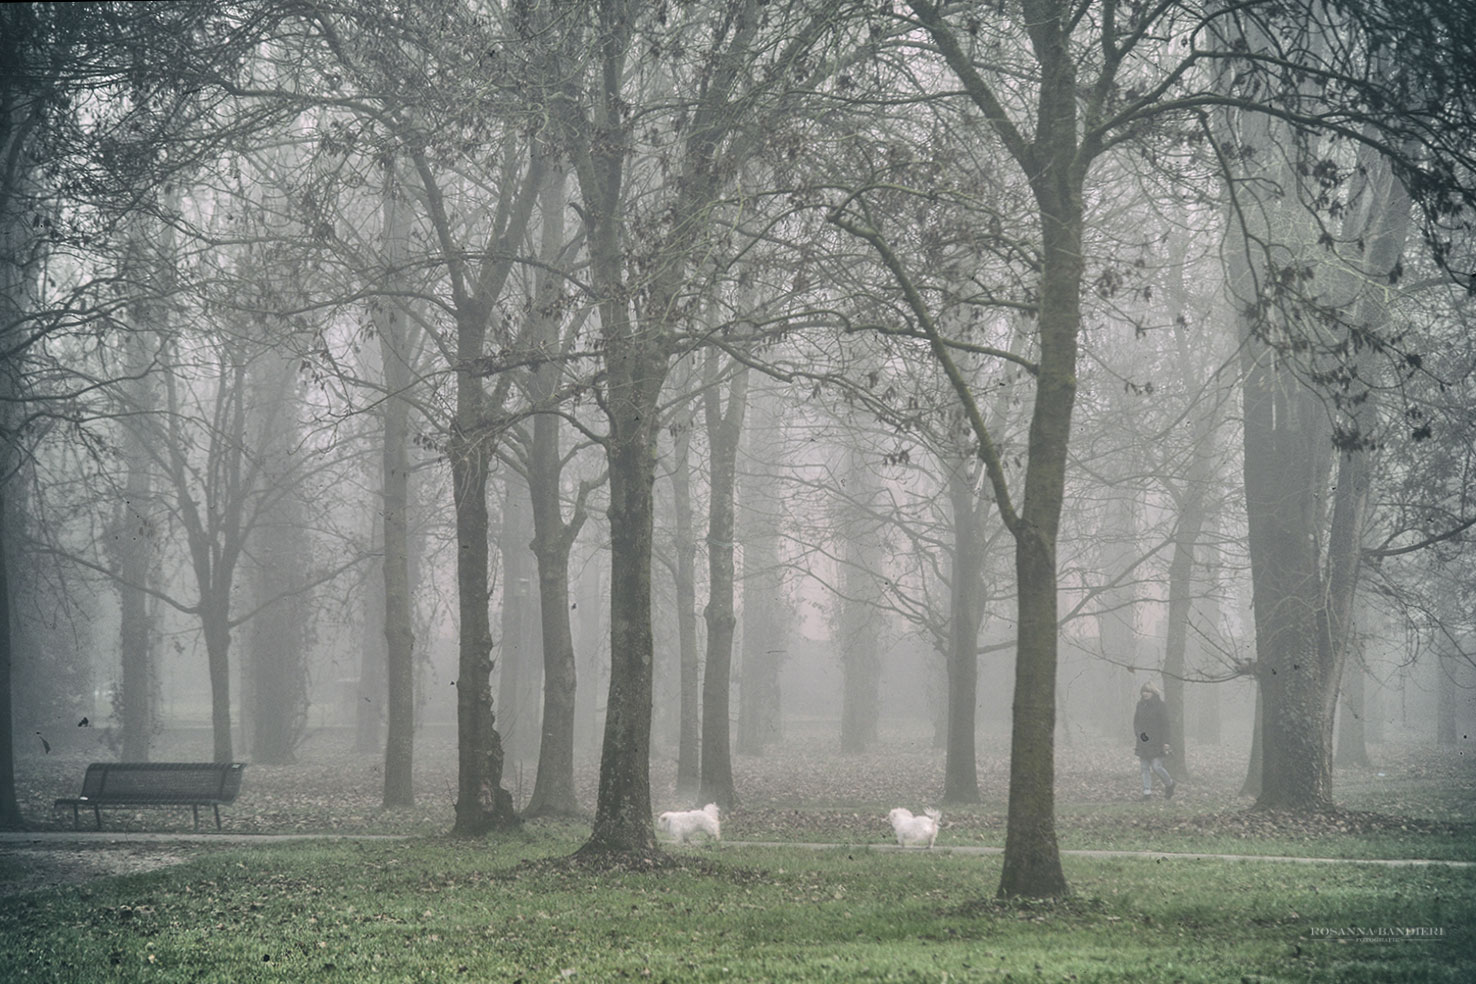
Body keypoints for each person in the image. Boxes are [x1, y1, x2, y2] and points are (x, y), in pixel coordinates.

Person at [1133, 682, 1177, 800]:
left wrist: (1166, 742)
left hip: (1158, 741)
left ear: (1153, 692)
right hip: (1143, 741)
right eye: (1143, 691)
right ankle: (1147, 793)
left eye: (1147, 691)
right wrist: (1139, 734)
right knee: (1144, 768)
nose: (1145, 693)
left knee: (1157, 767)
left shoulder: (1161, 706)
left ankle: (1170, 784)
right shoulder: (1140, 705)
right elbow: (1136, 722)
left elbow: (1165, 725)